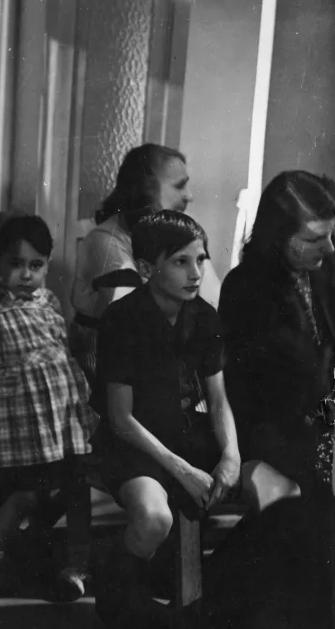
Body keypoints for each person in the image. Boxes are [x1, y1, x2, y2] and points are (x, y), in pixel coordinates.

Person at [93, 210, 281, 629]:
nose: (195, 273)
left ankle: (211, 593)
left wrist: (230, 456)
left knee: (277, 492)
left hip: (185, 436)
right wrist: (184, 472)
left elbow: (217, 400)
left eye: (200, 259)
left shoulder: (204, 318)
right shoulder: (122, 320)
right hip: (135, 444)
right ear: (147, 268)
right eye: (181, 261)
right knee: (154, 518)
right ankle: (116, 593)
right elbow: (121, 419)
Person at [205, 171, 335, 628]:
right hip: (265, 432)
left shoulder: (325, 272)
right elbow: (246, 391)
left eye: (330, 235)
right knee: (311, 512)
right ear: (279, 236)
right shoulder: (246, 287)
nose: (329, 248)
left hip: (319, 426)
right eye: (314, 238)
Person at [0, 215, 98, 602]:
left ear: (47, 265)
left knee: (76, 486)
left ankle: (77, 566)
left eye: (36, 265)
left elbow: (63, 351)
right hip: (19, 417)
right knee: (21, 493)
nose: (25, 274)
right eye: (16, 263)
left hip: (62, 412)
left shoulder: (49, 300)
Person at [70, 143, 222, 392]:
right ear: (145, 189)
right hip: (109, 362)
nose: (189, 196)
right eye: (179, 186)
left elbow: (213, 302)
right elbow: (133, 322)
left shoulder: (177, 239)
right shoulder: (106, 240)